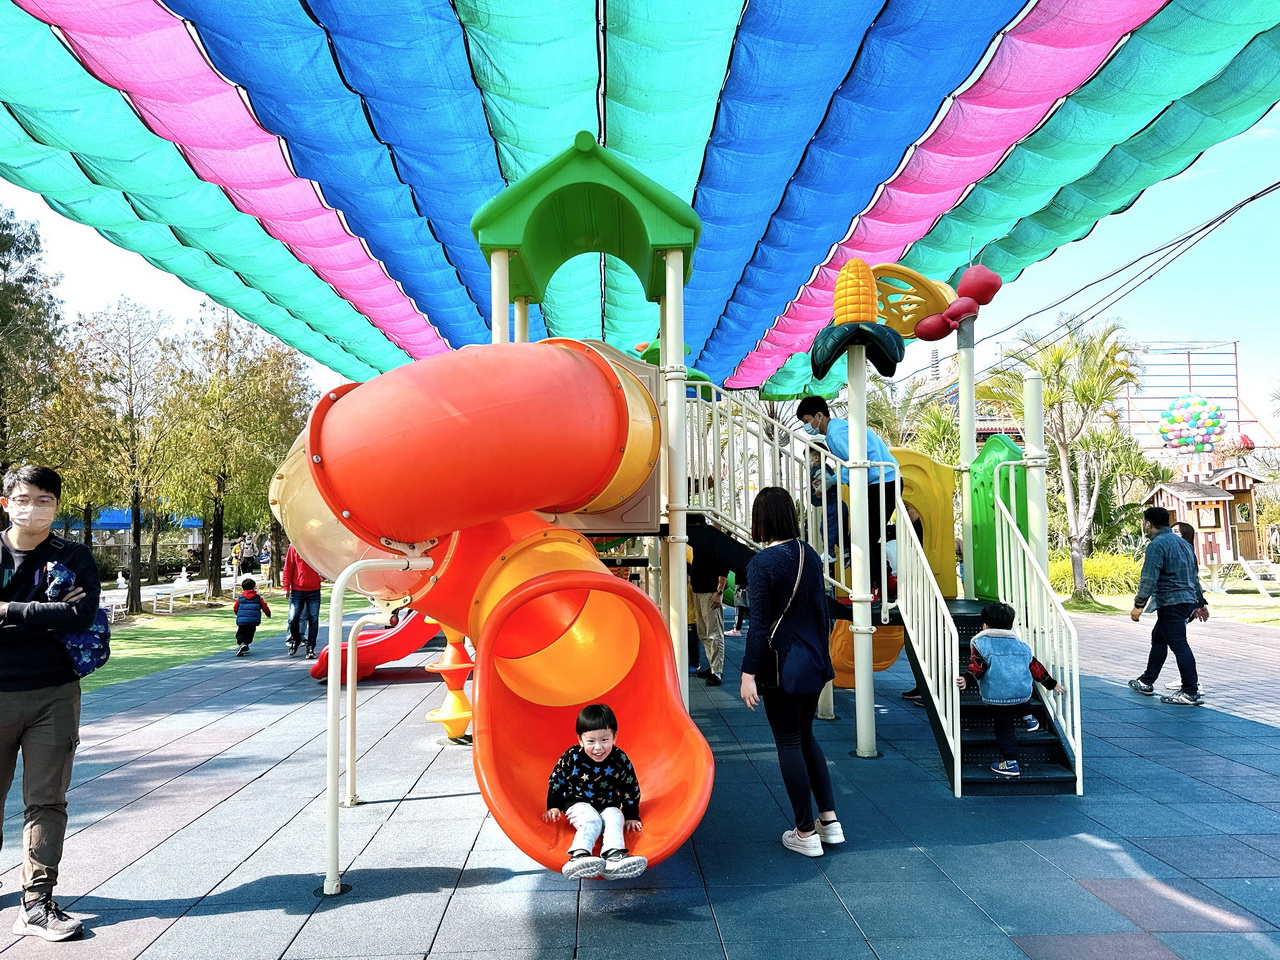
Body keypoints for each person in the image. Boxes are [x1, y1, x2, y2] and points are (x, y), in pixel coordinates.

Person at [0, 465, 98, 941]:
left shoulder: (73, 555)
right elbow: (63, 612)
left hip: (55, 695)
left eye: (44, 499)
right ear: (6, 503)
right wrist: (48, 613)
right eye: (24, 498)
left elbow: (81, 614)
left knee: (47, 801)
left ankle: (36, 902)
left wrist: (8, 610)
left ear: (56, 506)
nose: (33, 507)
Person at [739, 487, 842, 858]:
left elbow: (759, 626)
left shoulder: (762, 563)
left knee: (787, 741)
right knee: (806, 736)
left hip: (783, 667)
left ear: (761, 518)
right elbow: (821, 612)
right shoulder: (809, 555)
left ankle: (804, 831)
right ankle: (829, 822)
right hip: (814, 663)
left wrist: (749, 672)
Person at [796, 396, 899, 592]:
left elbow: (855, 461)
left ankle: (880, 586)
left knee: (865, 538)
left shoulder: (836, 433)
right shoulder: (835, 432)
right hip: (881, 481)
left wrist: (832, 480)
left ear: (819, 416)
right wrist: (832, 479)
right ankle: (878, 583)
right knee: (861, 538)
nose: (806, 426)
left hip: (884, 481)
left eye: (807, 421)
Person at [956, 602, 1062, 777]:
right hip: (1022, 694)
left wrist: (966, 679)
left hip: (998, 696)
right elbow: (1036, 668)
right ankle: (1028, 717)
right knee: (1019, 689)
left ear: (985, 625)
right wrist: (1052, 684)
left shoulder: (982, 644)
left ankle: (1011, 763)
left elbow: (977, 667)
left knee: (1004, 728)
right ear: (1011, 625)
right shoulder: (1022, 647)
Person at [543, 703, 647, 881]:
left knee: (616, 817)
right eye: (591, 741)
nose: (598, 747)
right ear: (580, 740)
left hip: (608, 804)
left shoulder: (620, 759)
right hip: (577, 802)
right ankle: (579, 855)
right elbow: (557, 779)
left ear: (614, 737)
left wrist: (631, 815)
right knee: (591, 820)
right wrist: (553, 805)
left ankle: (614, 856)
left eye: (604, 740)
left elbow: (630, 787)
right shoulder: (572, 757)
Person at [1129, 506, 1208, 706]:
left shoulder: (1157, 544)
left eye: (1144, 523)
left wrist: (1139, 605)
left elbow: (1149, 576)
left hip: (1171, 602)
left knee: (1179, 645)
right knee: (1159, 638)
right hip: (1186, 600)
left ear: (1148, 523)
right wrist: (1200, 603)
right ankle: (1146, 681)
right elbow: (1194, 576)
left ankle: (1190, 691)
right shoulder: (1184, 544)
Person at [688, 547, 728, 686]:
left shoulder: (714, 545)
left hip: (710, 593)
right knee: (703, 633)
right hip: (698, 592)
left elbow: (723, 570)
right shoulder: (698, 546)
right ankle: (712, 666)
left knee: (714, 633)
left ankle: (717, 671)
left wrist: (719, 592)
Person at [282, 543, 323, 659]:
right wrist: (286, 587)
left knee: (313, 619)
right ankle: (296, 639)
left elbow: (326, 564)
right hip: (297, 590)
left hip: (314, 590)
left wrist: (323, 576)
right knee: (292, 618)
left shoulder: (316, 547)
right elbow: (288, 567)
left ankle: (310, 647)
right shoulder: (294, 547)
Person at [232, 577, 271, 657]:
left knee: (241, 633)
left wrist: (238, 614)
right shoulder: (257, 598)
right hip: (253, 620)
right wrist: (268, 613)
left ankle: (241, 643)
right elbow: (264, 606)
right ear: (254, 587)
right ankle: (246, 644)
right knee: (250, 632)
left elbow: (236, 607)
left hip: (242, 620)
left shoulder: (240, 598)